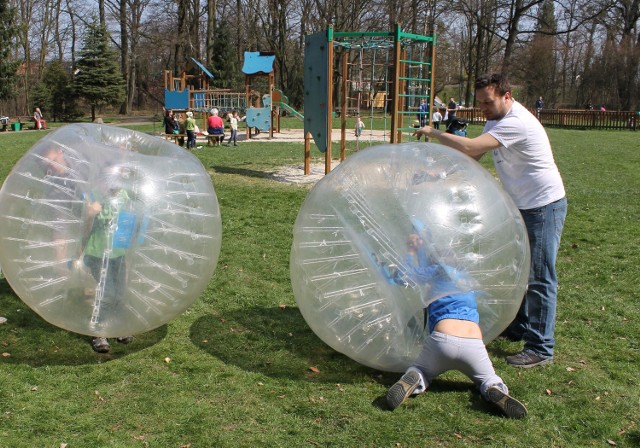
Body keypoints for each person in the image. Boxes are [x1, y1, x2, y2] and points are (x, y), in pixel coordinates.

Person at [415, 73, 567, 369]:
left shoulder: (516, 122)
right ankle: (520, 326)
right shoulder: (495, 121)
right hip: (521, 205)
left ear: (507, 96)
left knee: (539, 275)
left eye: (488, 101)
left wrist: (434, 133)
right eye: (480, 102)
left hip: (543, 206)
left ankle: (541, 346)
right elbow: (473, 159)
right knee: (523, 270)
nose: (483, 107)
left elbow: (470, 147)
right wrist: (439, 176)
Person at [385, 233, 527, 418]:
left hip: (442, 340)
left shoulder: (436, 272)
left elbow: (403, 276)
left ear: (434, 264)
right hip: (474, 343)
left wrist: (411, 252)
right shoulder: (467, 279)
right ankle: (495, 388)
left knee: (422, 369)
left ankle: (415, 378)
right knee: (488, 378)